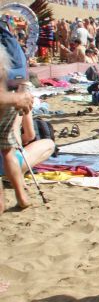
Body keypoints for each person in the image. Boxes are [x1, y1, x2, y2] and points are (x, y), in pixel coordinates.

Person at [0, 49, 34, 214]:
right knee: (8, 150)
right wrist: (19, 96)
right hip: (11, 98)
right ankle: (21, 196)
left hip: (7, 99)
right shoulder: (4, 48)